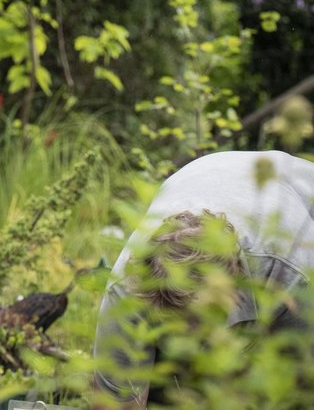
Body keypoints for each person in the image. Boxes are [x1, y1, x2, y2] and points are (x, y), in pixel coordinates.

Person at [93, 150, 314, 406]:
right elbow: (116, 401)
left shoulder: (290, 270)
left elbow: (303, 387)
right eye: (174, 324)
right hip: (198, 175)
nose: (190, 341)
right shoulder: (125, 292)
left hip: (293, 187)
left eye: (198, 322)